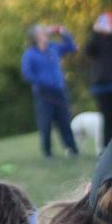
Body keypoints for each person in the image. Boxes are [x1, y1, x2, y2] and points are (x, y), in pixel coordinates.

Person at [22, 24, 80, 158]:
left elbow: (71, 47)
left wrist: (63, 32)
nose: (45, 33)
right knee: (46, 123)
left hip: (59, 91)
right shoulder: (30, 54)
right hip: (43, 93)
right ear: (35, 37)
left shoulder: (54, 47)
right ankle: (47, 152)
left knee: (65, 120)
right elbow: (28, 74)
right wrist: (44, 82)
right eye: (41, 32)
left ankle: (72, 148)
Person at [85, 11, 112, 146]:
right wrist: (96, 33)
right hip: (101, 86)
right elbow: (89, 50)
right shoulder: (96, 41)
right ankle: (108, 146)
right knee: (107, 118)